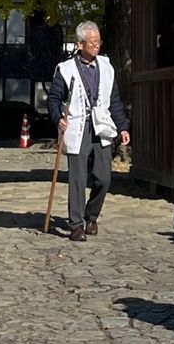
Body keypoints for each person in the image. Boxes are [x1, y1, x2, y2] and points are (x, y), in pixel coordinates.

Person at [46, 19, 130, 241]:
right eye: (92, 42)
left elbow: (114, 101)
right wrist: (57, 119)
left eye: (98, 41)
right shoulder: (65, 69)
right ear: (80, 43)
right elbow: (54, 100)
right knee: (77, 179)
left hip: (101, 127)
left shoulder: (107, 67)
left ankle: (91, 215)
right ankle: (76, 225)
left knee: (103, 179)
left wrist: (122, 126)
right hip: (77, 127)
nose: (96, 45)